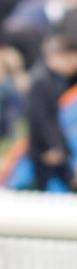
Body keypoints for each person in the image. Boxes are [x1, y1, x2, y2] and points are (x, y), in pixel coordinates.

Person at [26, 33, 77, 190]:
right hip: (46, 153)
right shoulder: (41, 81)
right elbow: (41, 120)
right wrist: (54, 148)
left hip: (54, 148)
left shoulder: (56, 80)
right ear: (62, 55)